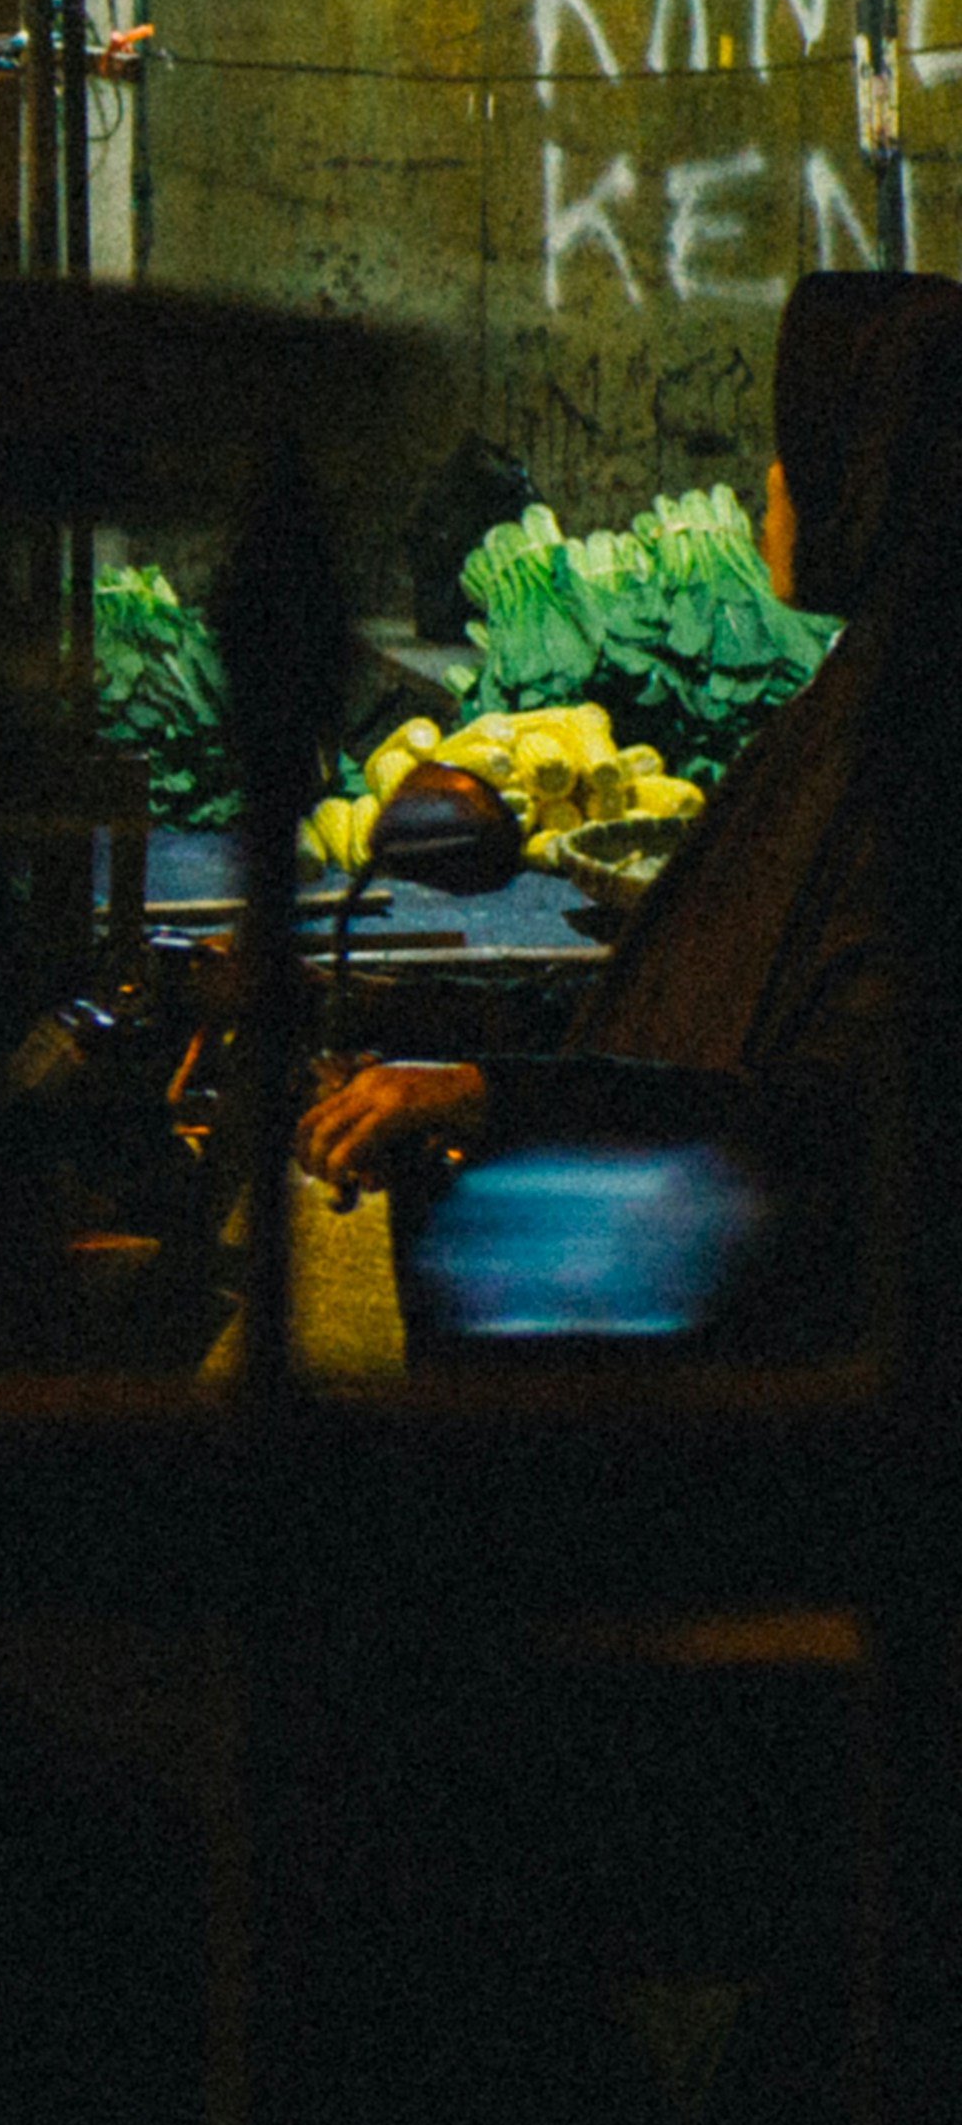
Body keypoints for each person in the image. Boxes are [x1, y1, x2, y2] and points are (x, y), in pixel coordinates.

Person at [302, 270, 962, 1350]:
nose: (771, 480)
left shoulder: (910, 766)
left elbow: (823, 1128)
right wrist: (433, 1039)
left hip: (789, 1365)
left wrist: (488, 1096)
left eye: (798, 445)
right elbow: (704, 1005)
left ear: (870, 475)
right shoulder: (862, 706)